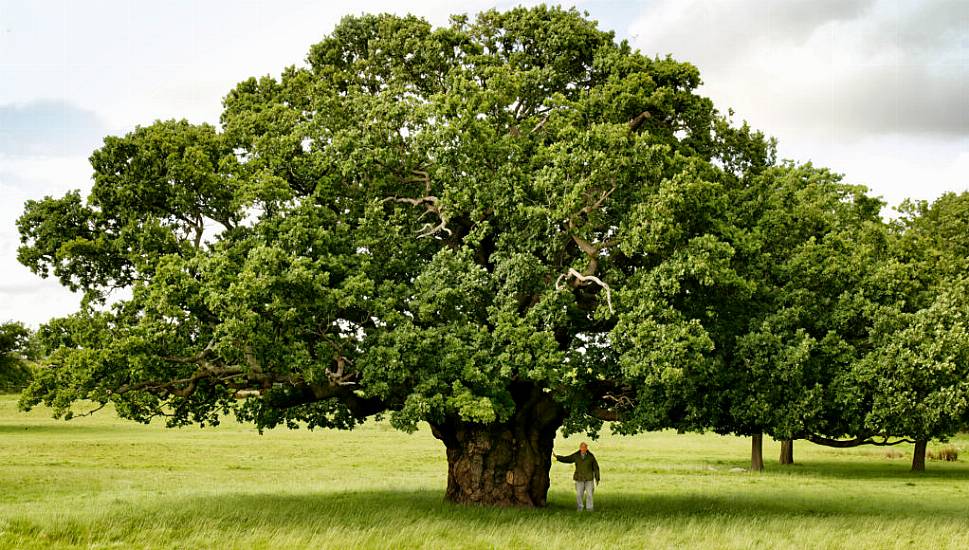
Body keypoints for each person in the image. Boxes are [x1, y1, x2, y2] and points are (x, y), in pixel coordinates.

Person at [554, 442, 600, 511]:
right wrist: (557, 457)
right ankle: (580, 508)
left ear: (587, 448)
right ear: (580, 448)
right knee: (579, 495)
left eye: (585, 447)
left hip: (589, 479)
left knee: (590, 495)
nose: (583, 449)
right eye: (582, 447)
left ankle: (589, 509)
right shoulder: (576, 456)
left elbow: (596, 468)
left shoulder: (591, 457)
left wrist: (597, 478)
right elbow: (567, 459)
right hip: (579, 478)